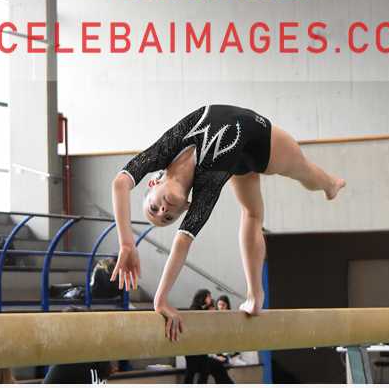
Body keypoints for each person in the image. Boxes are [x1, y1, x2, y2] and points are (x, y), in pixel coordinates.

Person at [111, 104, 345, 339]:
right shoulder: (206, 187)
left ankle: (330, 184)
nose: (163, 210)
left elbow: (120, 183)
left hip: (259, 135)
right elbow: (182, 242)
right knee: (252, 213)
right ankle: (255, 296)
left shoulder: (165, 150)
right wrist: (160, 300)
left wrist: (127, 244)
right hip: (253, 152)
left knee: (305, 172)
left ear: (153, 183)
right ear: (186, 207)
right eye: (168, 218)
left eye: (153, 208)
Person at [184, 290, 234, 384]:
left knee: (203, 371)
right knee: (192, 372)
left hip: (201, 348)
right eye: (209, 296)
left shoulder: (202, 310)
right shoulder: (195, 310)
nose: (210, 298)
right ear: (203, 297)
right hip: (192, 348)